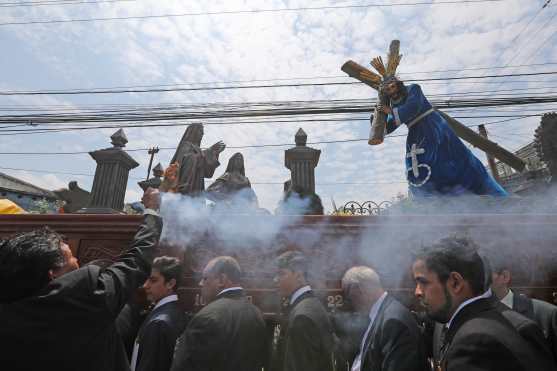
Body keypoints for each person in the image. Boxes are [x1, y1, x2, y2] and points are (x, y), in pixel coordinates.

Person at [0, 188, 163, 371]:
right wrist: (152, 210)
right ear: (52, 273)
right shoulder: (85, 297)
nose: (77, 260)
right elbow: (137, 260)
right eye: (71, 257)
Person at [412, 235, 557, 371]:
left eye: (423, 282)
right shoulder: (487, 323)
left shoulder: (473, 344)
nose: (417, 292)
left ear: (455, 282)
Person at [377, 77, 507, 197]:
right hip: (414, 134)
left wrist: (390, 112)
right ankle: (431, 198)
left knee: (443, 159)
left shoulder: (413, 89)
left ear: (398, 85)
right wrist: (378, 119)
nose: (391, 91)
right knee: (417, 167)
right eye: (388, 90)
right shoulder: (393, 105)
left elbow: (413, 106)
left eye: (392, 87)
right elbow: (390, 125)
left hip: (432, 127)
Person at [171, 256, 267, 371]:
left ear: (221, 280)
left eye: (205, 278)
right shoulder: (256, 313)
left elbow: (184, 367)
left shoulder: (206, 317)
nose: (200, 283)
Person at [341, 266, 426, 371]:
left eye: (348, 297)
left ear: (359, 290)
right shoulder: (383, 313)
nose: (351, 303)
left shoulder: (393, 322)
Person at [274, 251, 335, 371]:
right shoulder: (313, 305)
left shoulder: (301, 317)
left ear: (298, 276)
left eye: (281, 274)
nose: (275, 279)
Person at [490, 259, 557, 360]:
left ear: (504, 276)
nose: (479, 280)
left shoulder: (547, 314)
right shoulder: (471, 316)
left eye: (485, 275)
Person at [131, 256, 186, 371]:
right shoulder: (175, 311)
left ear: (170, 284)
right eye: (146, 279)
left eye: (153, 280)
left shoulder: (159, 323)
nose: (145, 285)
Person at [169, 123, 226, 196]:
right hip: (185, 187)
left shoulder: (198, 149)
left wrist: (215, 153)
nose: (202, 134)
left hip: (197, 186)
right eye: (200, 131)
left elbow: (207, 172)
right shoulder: (186, 145)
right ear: (194, 132)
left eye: (202, 133)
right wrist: (210, 150)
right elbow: (190, 158)